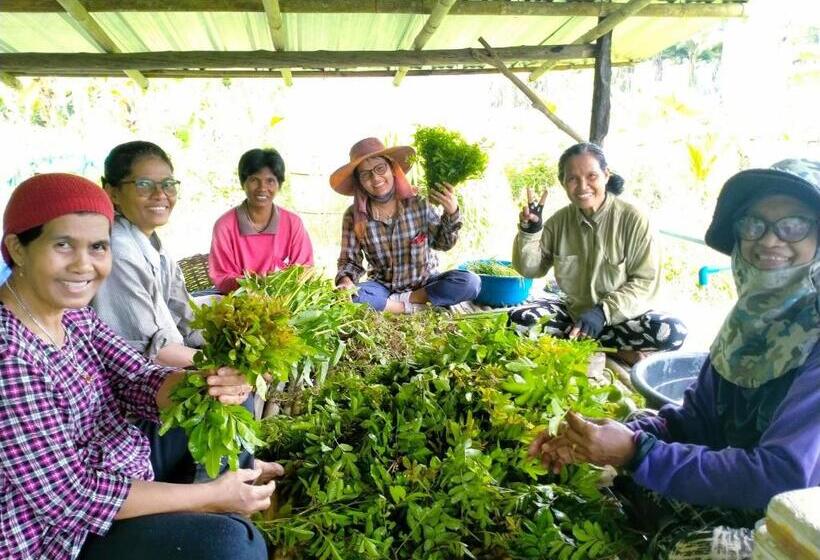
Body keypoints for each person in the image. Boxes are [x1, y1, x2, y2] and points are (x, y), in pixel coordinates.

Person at [529, 159, 820, 559]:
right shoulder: (746, 323)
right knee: (630, 447)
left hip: (800, 525)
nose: (769, 241)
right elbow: (694, 420)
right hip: (749, 493)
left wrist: (636, 452)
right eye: (754, 224)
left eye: (793, 226)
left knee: (689, 549)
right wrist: (603, 440)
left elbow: (783, 475)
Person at [0, 173, 274, 560]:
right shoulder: (9, 354)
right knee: (232, 546)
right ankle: (216, 499)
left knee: (222, 401)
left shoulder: (73, 317)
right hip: (62, 536)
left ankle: (227, 488)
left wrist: (209, 383)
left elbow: (138, 378)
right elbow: (67, 497)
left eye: (98, 247)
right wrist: (207, 497)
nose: (83, 265)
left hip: (119, 462)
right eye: (63, 245)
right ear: (18, 248)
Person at [93, 141, 281, 483]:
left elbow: (186, 317)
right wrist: (224, 368)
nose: (160, 194)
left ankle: (241, 464)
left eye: (167, 184)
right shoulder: (119, 252)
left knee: (235, 379)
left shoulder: (153, 246)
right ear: (112, 193)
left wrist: (243, 347)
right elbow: (153, 349)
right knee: (224, 390)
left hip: (156, 378)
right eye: (144, 185)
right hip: (136, 408)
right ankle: (217, 488)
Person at [510, 142, 686, 365]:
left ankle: (585, 342)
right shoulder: (559, 222)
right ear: (563, 183)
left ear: (606, 175)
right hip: (574, 316)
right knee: (518, 321)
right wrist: (530, 231)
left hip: (623, 317)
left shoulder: (633, 218)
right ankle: (615, 349)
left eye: (591, 176)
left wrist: (603, 312)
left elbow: (645, 281)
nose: (582, 186)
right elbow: (529, 269)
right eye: (572, 178)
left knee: (672, 331)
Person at [330, 137, 480, 313]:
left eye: (380, 168)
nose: (375, 177)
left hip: (425, 285)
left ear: (392, 168)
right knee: (352, 297)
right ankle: (413, 307)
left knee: (470, 283)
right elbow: (349, 261)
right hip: (383, 287)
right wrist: (346, 282)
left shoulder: (419, 202)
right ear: (359, 181)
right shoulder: (353, 216)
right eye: (365, 174)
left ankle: (402, 303)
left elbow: (443, 244)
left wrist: (452, 213)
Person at [209, 148, 314, 293]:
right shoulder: (224, 226)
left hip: (284, 301)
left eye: (270, 181)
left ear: (279, 185)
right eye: (254, 180)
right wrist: (255, 284)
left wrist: (277, 286)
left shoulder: (293, 223)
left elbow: (305, 269)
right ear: (243, 183)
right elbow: (222, 276)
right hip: (240, 303)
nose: (262, 188)